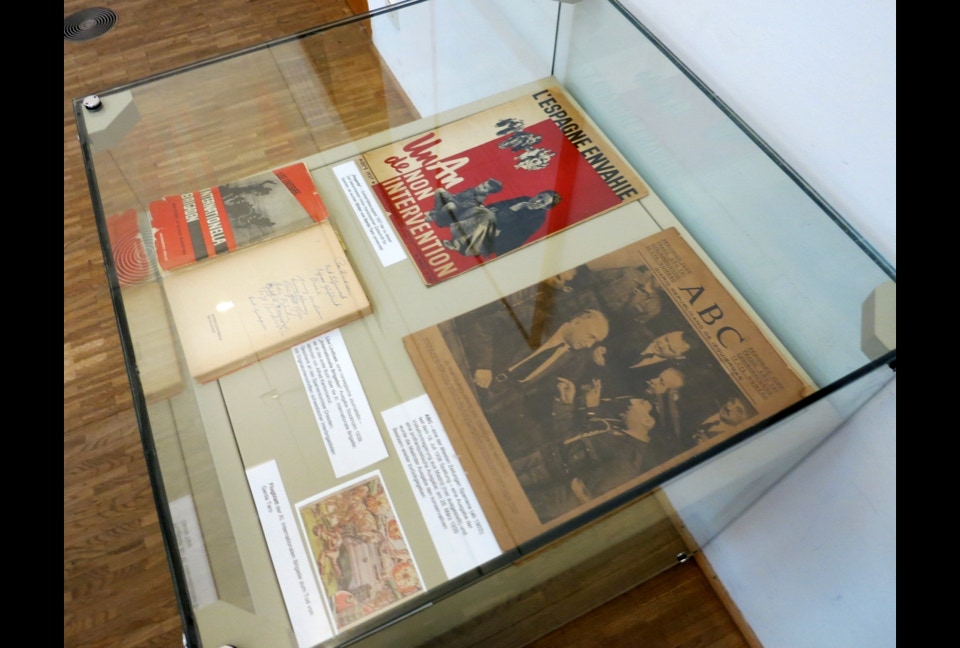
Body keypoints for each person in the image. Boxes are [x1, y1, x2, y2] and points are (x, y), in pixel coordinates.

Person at [510, 396, 661, 522]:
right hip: (540, 458)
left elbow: (582, 496)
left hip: (547, 483)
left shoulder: (629, 459)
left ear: (647, 422)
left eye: (641, 403)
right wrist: (566, 404)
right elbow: (568, 436)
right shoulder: (617, 429)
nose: (631, 403)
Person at [440, 190, 562, 257]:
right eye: (539, 196)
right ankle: (449, 223)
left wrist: (520, 206)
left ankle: (457, 243)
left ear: (545, 208)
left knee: (487, 217)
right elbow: (498, 205)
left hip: (494, 239)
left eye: (542, 202)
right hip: (482, 221)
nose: (537, 201)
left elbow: (510, 232)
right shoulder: (525, 198)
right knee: (483, 212)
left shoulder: (537, 219)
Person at [424, 179, 503, 226]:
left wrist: (450, 198)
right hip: (453, 201)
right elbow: (458, 195)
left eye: (484, 188)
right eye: (482, 184)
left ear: (488, 193)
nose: (480, 186)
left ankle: (435, 217)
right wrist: (450, 197)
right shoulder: (474, 189)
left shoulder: (478, 199)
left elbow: (461, 206)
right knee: (440, 190)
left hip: (457, 212)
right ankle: (434, 212)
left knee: (450, 206)